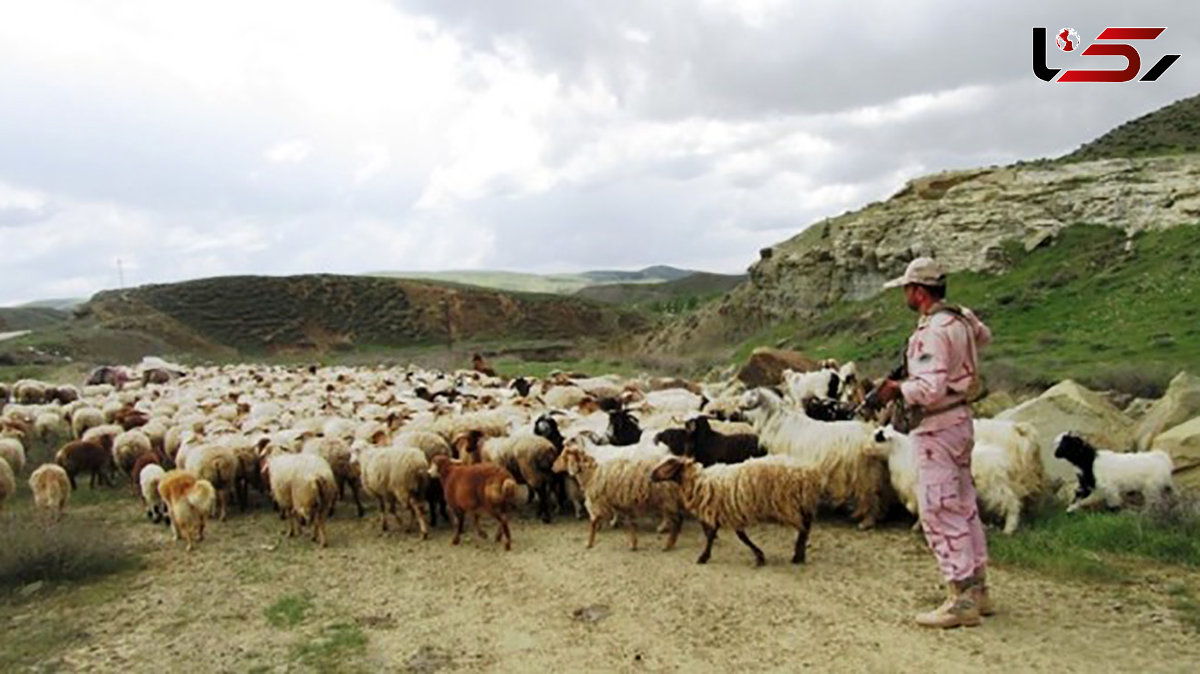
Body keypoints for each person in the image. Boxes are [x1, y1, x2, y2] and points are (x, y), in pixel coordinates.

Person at [874, 257, 993, 629]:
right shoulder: (960, 319)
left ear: (920, 291)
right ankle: (978, 588)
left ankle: (960, 598)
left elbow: (928, 388)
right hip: (961, 420)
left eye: (908, 289)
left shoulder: (932, 331)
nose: (905, 296)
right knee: (963, 502)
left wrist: (896, 389)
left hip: (938, 427)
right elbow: (983, 336)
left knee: (938, 508)